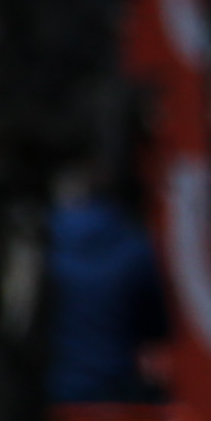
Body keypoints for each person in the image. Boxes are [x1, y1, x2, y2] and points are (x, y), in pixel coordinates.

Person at [47, 154, 173, 406]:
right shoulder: (136, 248)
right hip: (114, 389)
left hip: (48, 392)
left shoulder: (44, 242)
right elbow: (159, 327)